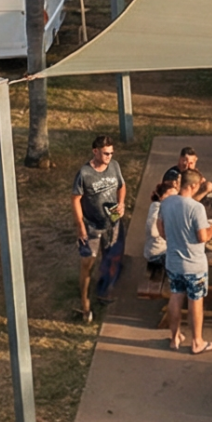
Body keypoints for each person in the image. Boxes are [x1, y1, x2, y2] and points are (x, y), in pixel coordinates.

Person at [158, 170, 212, 354]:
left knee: (175, 296)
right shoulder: (196, 208)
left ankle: (175, 338)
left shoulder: (166, 202)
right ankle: (197, 342)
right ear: (194, 185)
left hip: (173, 261)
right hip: (194, 265)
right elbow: (202, 237)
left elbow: (161, 229)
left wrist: (174, 239)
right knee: (195, 301)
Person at [70, 135, 126, 323]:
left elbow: (122, 186)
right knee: (88, 263)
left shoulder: (114, 166)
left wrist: (121, 203)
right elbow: (75, 199)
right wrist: (80, 226)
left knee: (110, 256)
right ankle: (85, 303)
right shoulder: (84, 174)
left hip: (112, 222)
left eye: (111, 153)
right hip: (91, 226)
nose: (109, 156)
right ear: (95, 151)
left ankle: (104, 291)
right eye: (106, 153)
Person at [144, 168, 184, 337]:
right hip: (157, 256)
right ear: (161, 197)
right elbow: (153, 231)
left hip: (164, 251)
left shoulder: (164, 206)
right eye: (170, 196)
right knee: (185, 270)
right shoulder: (157, 208)